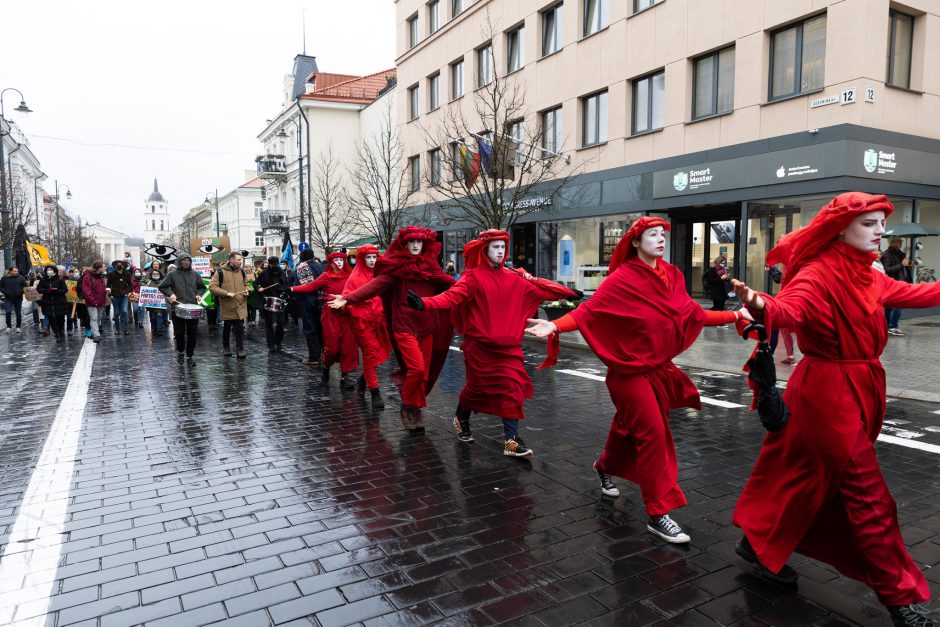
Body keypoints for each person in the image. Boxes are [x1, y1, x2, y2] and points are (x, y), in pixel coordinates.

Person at [731, 192, 940, 627]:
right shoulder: (818, 273)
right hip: (828, 393)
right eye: (870, 223)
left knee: (799, 474)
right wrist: (760, 303)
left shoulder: (870, 274)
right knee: (868, 495)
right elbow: (789, 308)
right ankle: (900, 600)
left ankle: (756, 542)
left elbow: (918, 293)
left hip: (860, 387)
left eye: (883, 222)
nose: (880, 230)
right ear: (840, 228)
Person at [525, 217, 750, 544]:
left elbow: (693, 314)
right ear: (635, 241)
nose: (660, 239)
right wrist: (555, 326)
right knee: (654, 434)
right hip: (628, 374)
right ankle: (659, 514)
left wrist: (736, 315)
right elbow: (590, 312)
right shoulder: (623, 279)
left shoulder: (672, 275)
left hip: (659, 370)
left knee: (627, 429)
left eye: (662, 235)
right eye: (652, 235)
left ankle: (604, 466)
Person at [409, 230, 577, 457]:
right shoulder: (472, 277)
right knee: (477, 390)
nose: (500, 251)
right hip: (480, 349)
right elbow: (451, 297)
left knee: (512, 390)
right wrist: (425, 304)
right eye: (495, 247)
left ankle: (511, 441)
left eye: (502, 247)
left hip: (509, 350)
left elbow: (540, 290)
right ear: (485, 249)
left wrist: (567, 293)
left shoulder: (513, 278)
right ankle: (462, 417)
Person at [330, 226, 455, 431]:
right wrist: (347, 298)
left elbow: (458, 286)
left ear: (424, 245)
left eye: (419, 242)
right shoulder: (397, 270)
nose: (415, 245)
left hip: (427, 326)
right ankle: (408, 406)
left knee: (423, 374)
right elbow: (374, 287)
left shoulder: (431, 270)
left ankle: (415, 405)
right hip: (403, 326)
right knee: (416, 369)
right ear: (404, 244)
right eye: (411, 242)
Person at [292, 251, 359, 388]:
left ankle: (345, 377)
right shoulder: (326, 276)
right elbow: (310, 287)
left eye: (342, 260)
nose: (339, 262)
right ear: (331, 262)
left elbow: (360, 290)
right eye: (337, 260)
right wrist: (292, 289)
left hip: (347, 314)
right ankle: (326, 369)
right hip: (331, 315)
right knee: (332, 347)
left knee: (347, 346)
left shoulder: (351, 275)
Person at [336, 245, 389, 407]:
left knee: (377, 353)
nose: (372, 261)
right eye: (369, 257)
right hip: (361, 324)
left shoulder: (380, 275)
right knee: (370, 354)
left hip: (379, 321)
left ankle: (363, 380)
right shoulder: (354, 277)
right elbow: (345, 300)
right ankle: (375, 394)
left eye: (375, 257)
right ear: (362, 259)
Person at [159, 254, 206, 366]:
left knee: (192, 333)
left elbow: (202, 287)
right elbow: (162, 286)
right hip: (177, 308)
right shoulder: (172, 274)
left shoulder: (195, 274)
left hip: (192, 307)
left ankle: (190, 356)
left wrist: (199, 295)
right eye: (184, 260)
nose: (186, 262)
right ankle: (180, 352)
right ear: (179, 261)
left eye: (188, 260)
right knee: (179, 333)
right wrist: (171, 294)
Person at [209, 251, 250, 359]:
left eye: (241, 260)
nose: (240, 262)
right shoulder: (220, 272)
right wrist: (226, 293)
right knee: (227, 328)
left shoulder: (242, 271)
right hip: (227, 305)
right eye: (238, 260)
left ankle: (240, 348)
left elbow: (246, 284)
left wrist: (246, 290)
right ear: (231, 260)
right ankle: (226, 347)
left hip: (240, 304)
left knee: (240, 328)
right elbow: (212, 287)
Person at [293, 249, 325, 366]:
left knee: (310, 329)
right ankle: (324, 353)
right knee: (321, 327)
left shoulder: (301, 268)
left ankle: (314, 356)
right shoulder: (321, 266)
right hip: (322, 301)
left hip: (307, 301)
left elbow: (297, 284)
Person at [255, 256, 290, 352]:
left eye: (275, 264)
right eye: (272, 264)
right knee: (269, 323)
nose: (274, 266)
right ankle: (271, 345)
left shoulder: (281, 273)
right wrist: (259, 288)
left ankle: (278, 342)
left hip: (279, 299)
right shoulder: (264, 273)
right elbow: (255, 283)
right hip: (267, 299)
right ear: (269, 264)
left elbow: (286, 286)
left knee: (280, 323)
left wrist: (282, 290)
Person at [880, 236, 913, 336]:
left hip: (901, 283)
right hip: (893, 283)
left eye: (901, 241)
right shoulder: (887, 254)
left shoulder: (899, 254)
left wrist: (908, 263)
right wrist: (901, 264)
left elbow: (902, 268)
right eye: (899, 241)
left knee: (889, 306)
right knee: (899, 305)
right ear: (893, 242)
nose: (901, 243)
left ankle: (888, 327)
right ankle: (892, 326)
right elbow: (887, 269)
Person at [36, 264, 70, 343]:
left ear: (54, 270)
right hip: (47, 303)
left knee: (60, 319)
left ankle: (60, 331)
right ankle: (57, 334)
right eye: (48, 270)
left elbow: (65, 290)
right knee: (51, 319)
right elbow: (39, 289)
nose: (49, 271)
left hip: (59, 302)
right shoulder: (43, 280)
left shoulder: (60, 279)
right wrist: (47, 290)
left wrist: (57, 291)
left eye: (51, 269)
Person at [82, 262, 108, 342]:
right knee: (94, 318)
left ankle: (95, 333)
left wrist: (106, 292)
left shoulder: (100, 277)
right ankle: (96, 335)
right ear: (98, 268)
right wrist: (93, 301)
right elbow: (87, 291)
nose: (105, 268)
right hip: (92, 302)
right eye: (103, 267)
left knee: (99, 318)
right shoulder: (87, 277)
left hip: (100, 301)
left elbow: (101, 288)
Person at [107, 260, 134, 336]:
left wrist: (127, 292)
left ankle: (126, 330)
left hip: (124, 296)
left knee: (125, 312)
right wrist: (110, 295)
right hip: (115, 296)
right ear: (115, 267)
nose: (118, 266)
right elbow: (108, 286)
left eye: (120, 264)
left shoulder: (127, 273)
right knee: (116, 312)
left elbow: (130, 285)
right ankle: (117, 329)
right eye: (117, 265)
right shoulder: (111, 274)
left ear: (123, 266)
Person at [1, 266, 28, 332]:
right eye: (15, 271)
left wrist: (21, 292)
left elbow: (25, 285)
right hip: (8, 298)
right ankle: (8, 327)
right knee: (8, 312)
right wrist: (5, 292)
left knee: (18, 313)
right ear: (10, 271)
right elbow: (1, 286)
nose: (17, 272)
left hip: (18, 298)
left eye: (17, 271)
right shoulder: (4, 278)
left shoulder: (21, 278)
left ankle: (18, 327)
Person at [144, 262, 168, 337]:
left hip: (160, 303)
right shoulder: (148, 281)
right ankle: (154, 328)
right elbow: (142, 284)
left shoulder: (163, 282)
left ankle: (159, 330)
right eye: (154, 274)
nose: (155, 275)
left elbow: (167, 289)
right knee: (152, 316)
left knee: (159, 315)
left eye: (157, 274)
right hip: (151, 303)